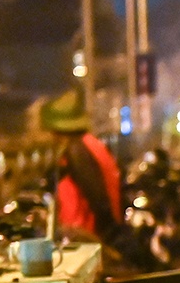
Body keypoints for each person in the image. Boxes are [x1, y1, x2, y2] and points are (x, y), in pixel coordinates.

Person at [39, 89, 122, 239]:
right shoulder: (88, 144)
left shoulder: (77, 151)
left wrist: (105, 235)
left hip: (86, 235)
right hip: (88, 234)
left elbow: (98, 197)